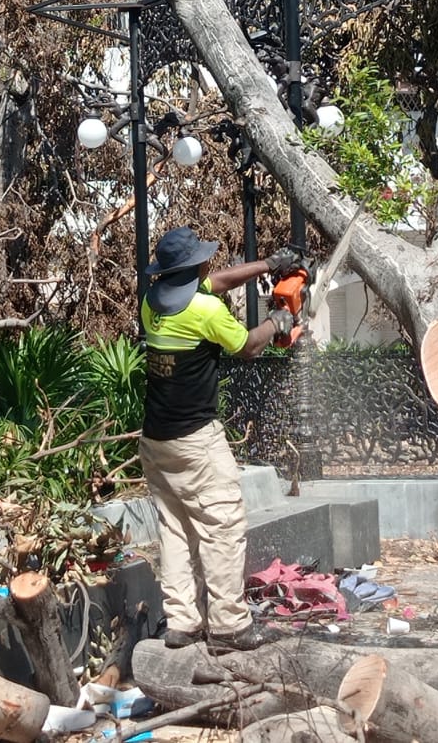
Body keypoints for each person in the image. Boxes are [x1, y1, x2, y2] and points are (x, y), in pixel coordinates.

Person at [138, 224, 301, 652]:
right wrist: (278, 320)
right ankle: (230, 628)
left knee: (175, 529)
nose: (209, 264)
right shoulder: (206, 311)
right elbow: (247, 346)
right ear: (193, 265)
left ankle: (182, 624)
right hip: (196, 441)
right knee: (222, 527)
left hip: (156, 440)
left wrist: (269, 264)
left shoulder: (152, 301)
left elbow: (215, 281)